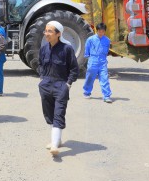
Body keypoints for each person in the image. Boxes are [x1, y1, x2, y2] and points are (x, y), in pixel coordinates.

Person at [38, 21, 78, 156]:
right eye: (45, 31)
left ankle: (54, 145)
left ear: (58, 34)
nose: (46, 34)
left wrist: (68, 84)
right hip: (46, 85)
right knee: (48, 113)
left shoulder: (67, 49)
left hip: (61, 85)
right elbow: (40, 65)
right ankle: (57, 139)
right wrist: (42, 79)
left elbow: (74, 69)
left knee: (59, 113)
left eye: (50, 31)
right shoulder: (44, 49)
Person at [82, 23, 112, 103]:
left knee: (104, 78)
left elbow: (107, 50)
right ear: (96, 30)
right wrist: (88, 57)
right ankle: (86, 92)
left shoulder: (107, 40)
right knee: (90, 77)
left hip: (102, 62)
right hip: (93, 60)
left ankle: (107, 96)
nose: (101, 33)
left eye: (102, 31)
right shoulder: (91, 39)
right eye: (99, 31)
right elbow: (87, 49)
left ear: (104, 31)